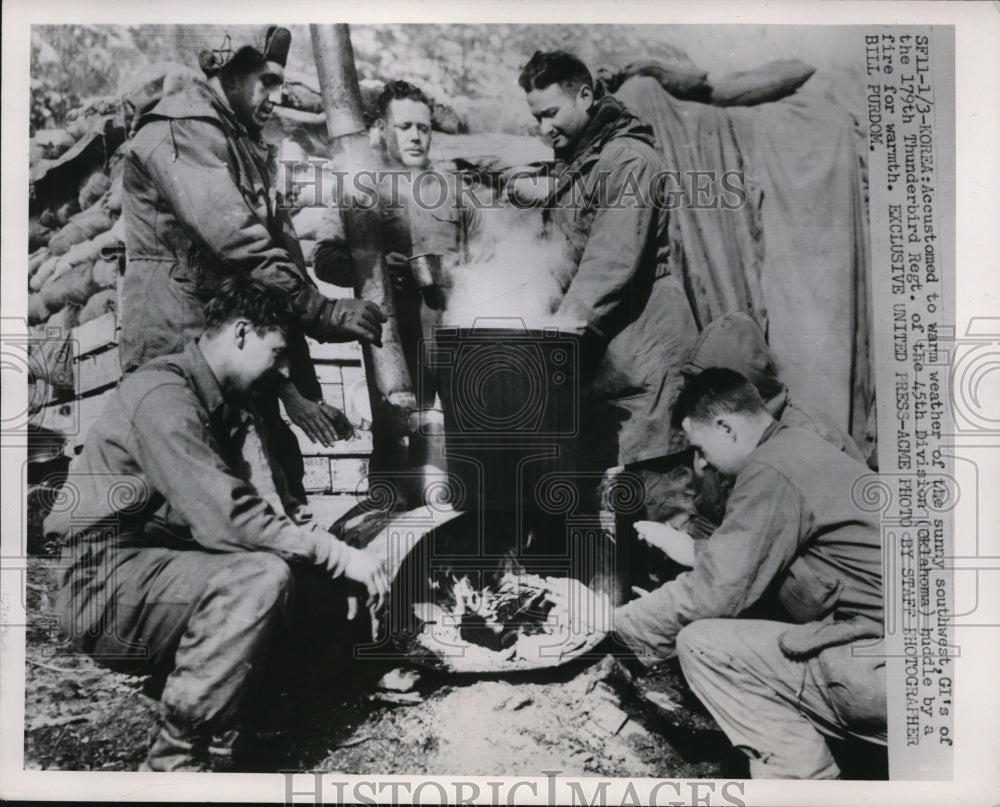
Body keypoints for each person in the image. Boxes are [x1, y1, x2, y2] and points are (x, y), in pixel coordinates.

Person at [44, 278, 390, 772]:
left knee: (308, 584)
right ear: (242, 333)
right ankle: (176, 760)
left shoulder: (229, 403)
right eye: (278, 352)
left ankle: (234, 724)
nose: (284, 368)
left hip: (162, 569)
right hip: (101, 584)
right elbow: (229, 520)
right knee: (259, 579)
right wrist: (337, 554)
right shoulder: (163, 395)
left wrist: (326, 559)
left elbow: (270, 512)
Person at [119, 26, 386, 513]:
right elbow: (237, 244)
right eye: (266, 81)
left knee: (270, 483)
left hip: (226, 342)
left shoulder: (240, 142)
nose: (275, 96)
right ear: (232, 73)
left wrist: (302, 384)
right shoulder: (183, 130)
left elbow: (282, 253)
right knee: (196, 500)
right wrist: (321, 312)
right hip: (178, 341)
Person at [614, 368, 885, 779]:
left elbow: (716, 594)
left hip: (881, 674)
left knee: (703, 645)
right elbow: (776, 558)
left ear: (726, 427)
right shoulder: (799, 447)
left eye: (700, 447)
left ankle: (798, 787)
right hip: (919, 664)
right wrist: (698, 551)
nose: (701, 465)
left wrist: (614, 623)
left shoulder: (769, 470)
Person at [517, 51, 700, 595]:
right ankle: (622, 616)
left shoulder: (627, 160)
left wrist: (557, 334)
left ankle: (682, 632)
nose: (543, 128)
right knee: (617, 506)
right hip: (609, 356)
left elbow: (609, 265)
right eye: (536, 118)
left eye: (551, 113)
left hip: (647, 353)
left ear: (584, 95)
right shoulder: (583, 162)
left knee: (662, 498)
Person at [313, 79, 480, 411]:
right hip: (392, 349)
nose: (416, 136)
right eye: (404, 127)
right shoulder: (360, 190)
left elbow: (484, 260)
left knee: (461, 444)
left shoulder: (457, 191)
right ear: (381, 128)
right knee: (399, 447)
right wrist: (375, 268)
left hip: (455, 345)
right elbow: (324, 258)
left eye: (424, 128)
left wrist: (456, 273)